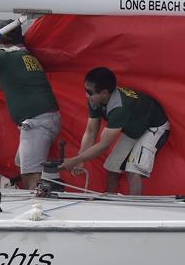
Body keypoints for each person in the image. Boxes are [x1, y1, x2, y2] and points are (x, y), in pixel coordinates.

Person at [0, 21, 60, 190]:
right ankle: (35, 198)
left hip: (36, 122)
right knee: (23, 164)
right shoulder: (26, 55)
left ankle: (36, 206)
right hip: (43, 120)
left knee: (31, 172)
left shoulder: (5, 55)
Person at [60, 67, 170, 195]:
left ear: (104, 93)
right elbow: (90, 131)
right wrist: (80, 160)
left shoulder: (119, 108)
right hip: (134, 128)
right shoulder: (95, 100)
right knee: (111, 168)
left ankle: (134, 211)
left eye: (89, 92)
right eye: (85, 90)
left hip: (154, 127)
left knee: (133, 171)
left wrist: (74, 160)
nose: (86, 95)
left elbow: (103, 145)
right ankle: (109, 203)